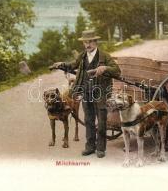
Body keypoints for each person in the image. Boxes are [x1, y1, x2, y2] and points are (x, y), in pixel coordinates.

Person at [51, 29, 121, 158]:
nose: (87, 45)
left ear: (95, 42)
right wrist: (62, 65)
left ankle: (100, 149)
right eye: (85, 42)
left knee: (101, 122)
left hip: (100, 93)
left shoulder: (105, 56)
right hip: (86, 92)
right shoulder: (82, 56)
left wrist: (105, 68)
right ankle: (90, 147)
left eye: (90, 42)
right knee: (88, 120)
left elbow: (117, 71)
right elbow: (73, 65)